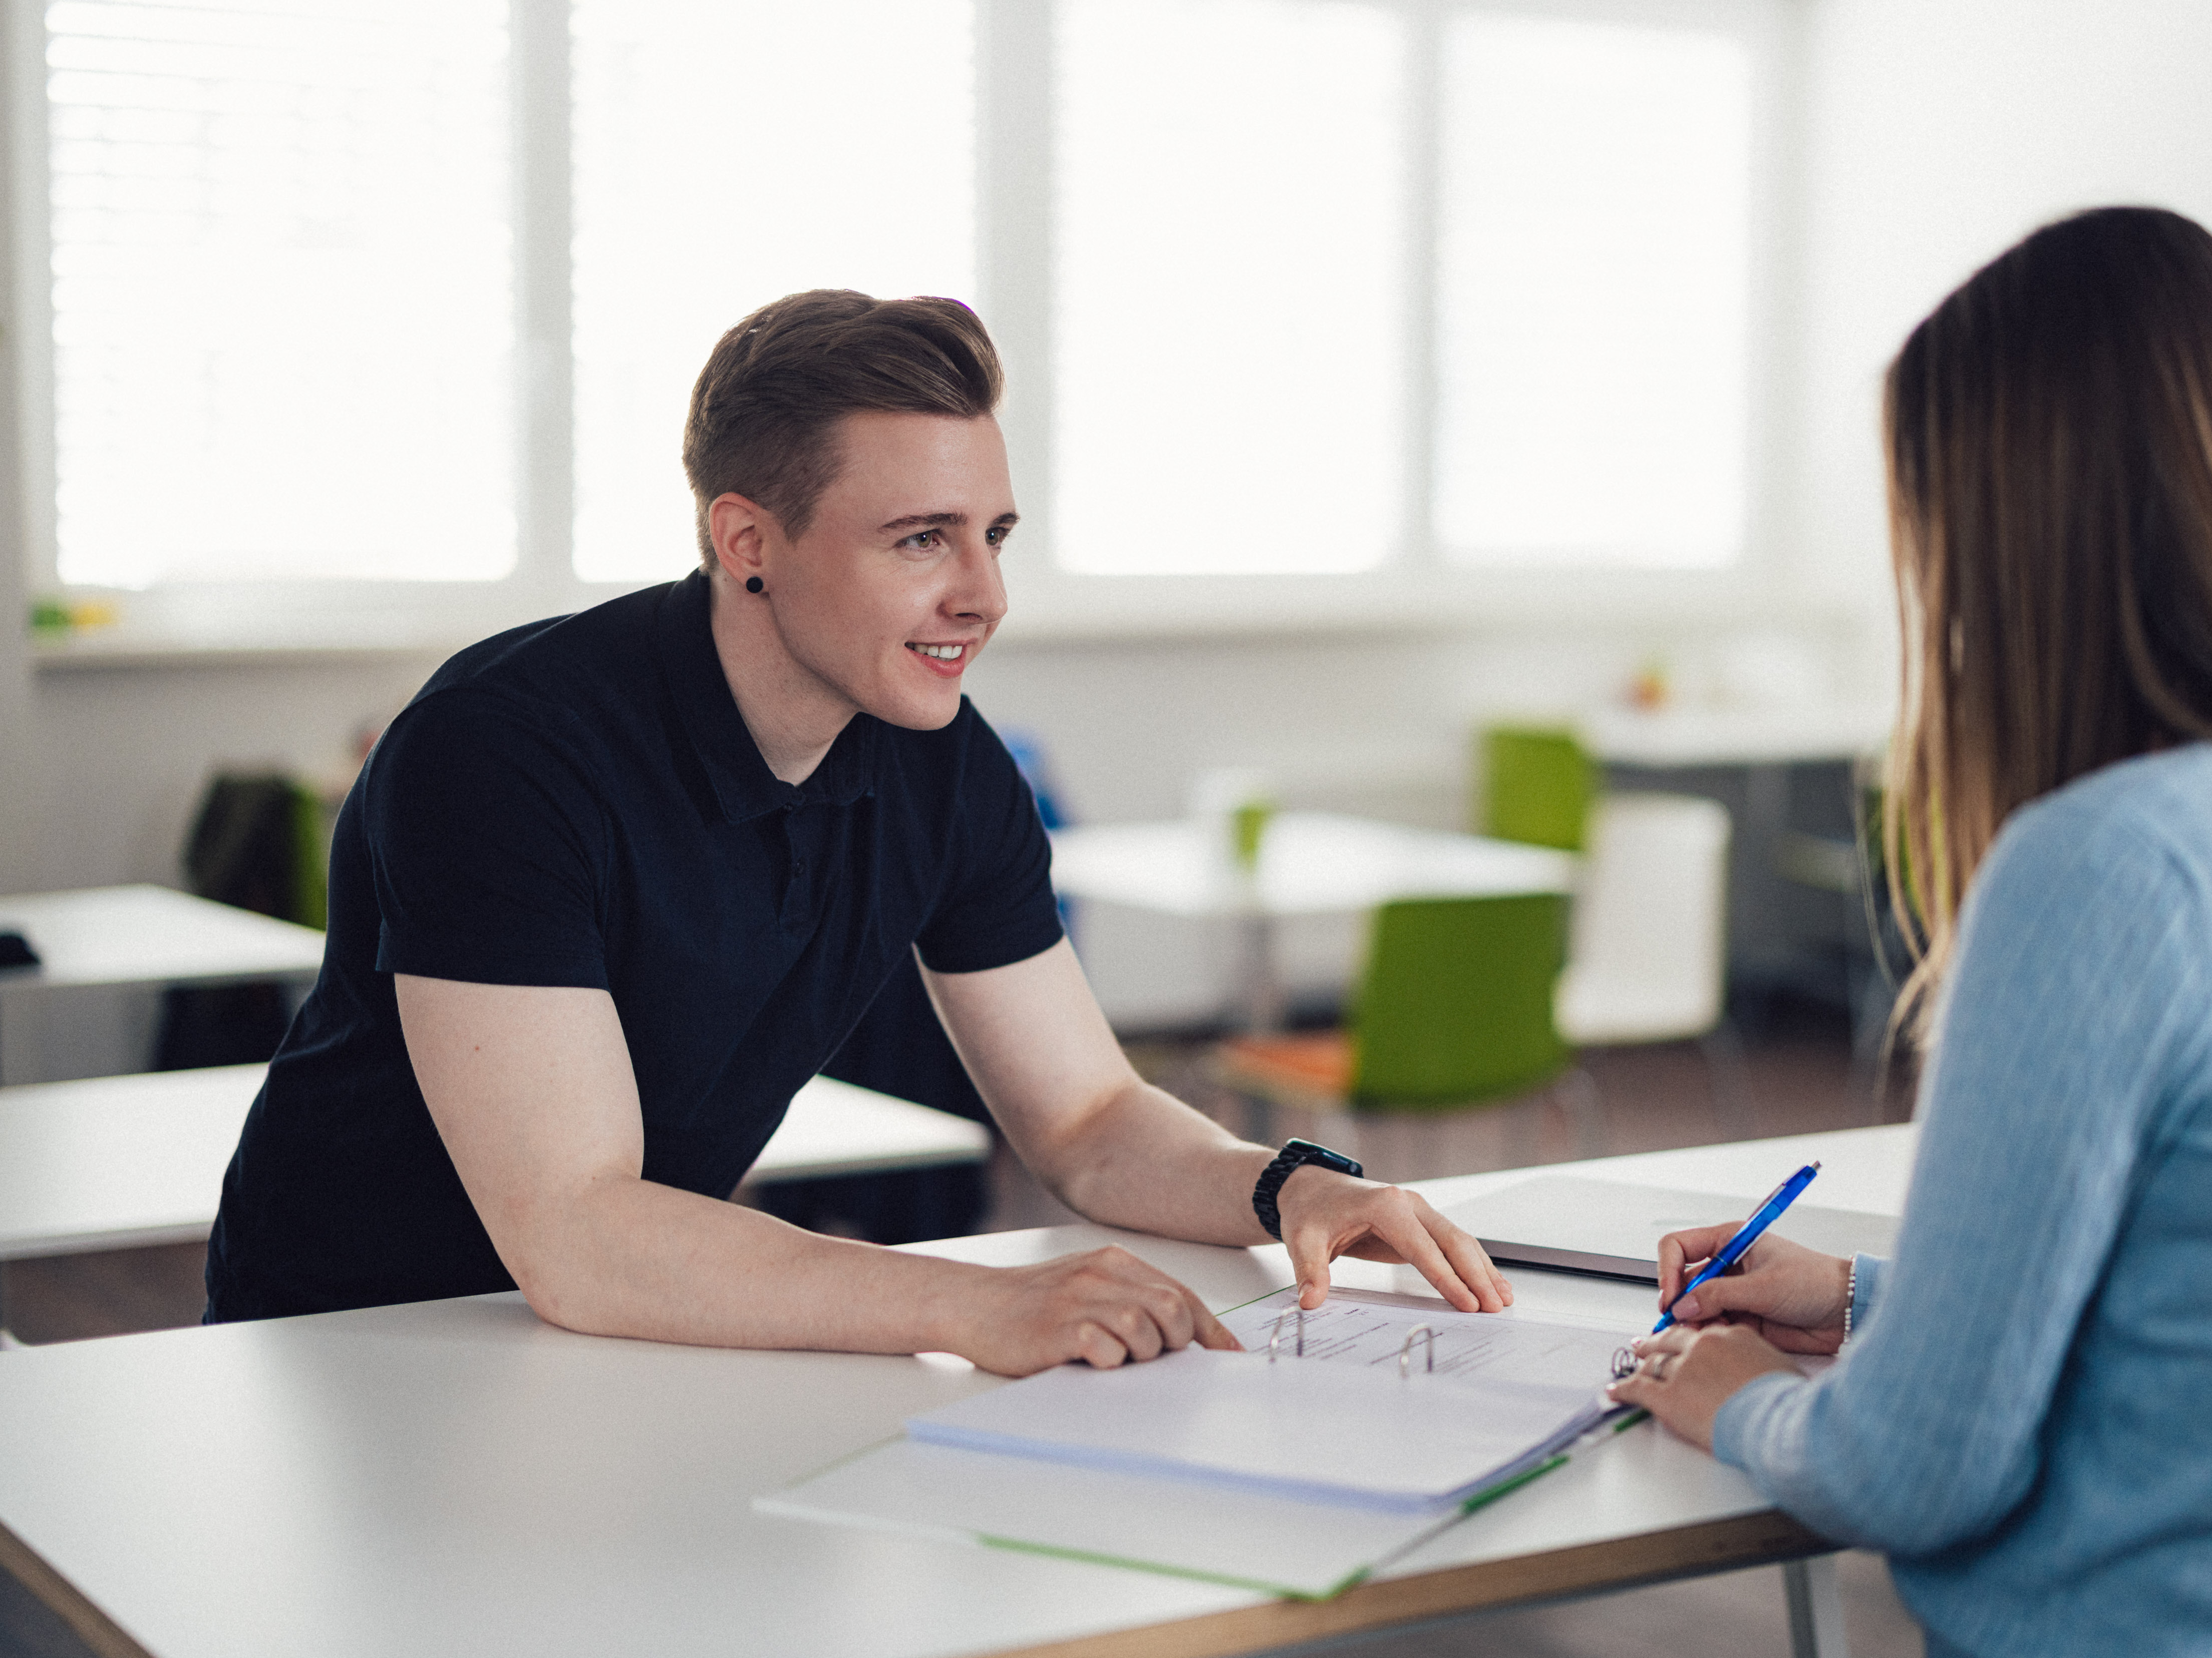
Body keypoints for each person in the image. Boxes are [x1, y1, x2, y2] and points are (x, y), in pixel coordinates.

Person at [1607, 208, 2212, 1658]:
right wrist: (1868, 1300)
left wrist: (1741, 1408)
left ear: (2005, 533)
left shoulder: (2105, 871)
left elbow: (1914, 1474)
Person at [205, 289, 1510, 1368]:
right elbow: (579, 1227)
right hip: (354, 1341)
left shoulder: (942, 763)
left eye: (992, 535)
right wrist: (972, 1304)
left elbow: (1088, 1118)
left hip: (646, 1315)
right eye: (919, 539)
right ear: (747, 540)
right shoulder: (502, 747)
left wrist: (1290, 1187)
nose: (983, 594)